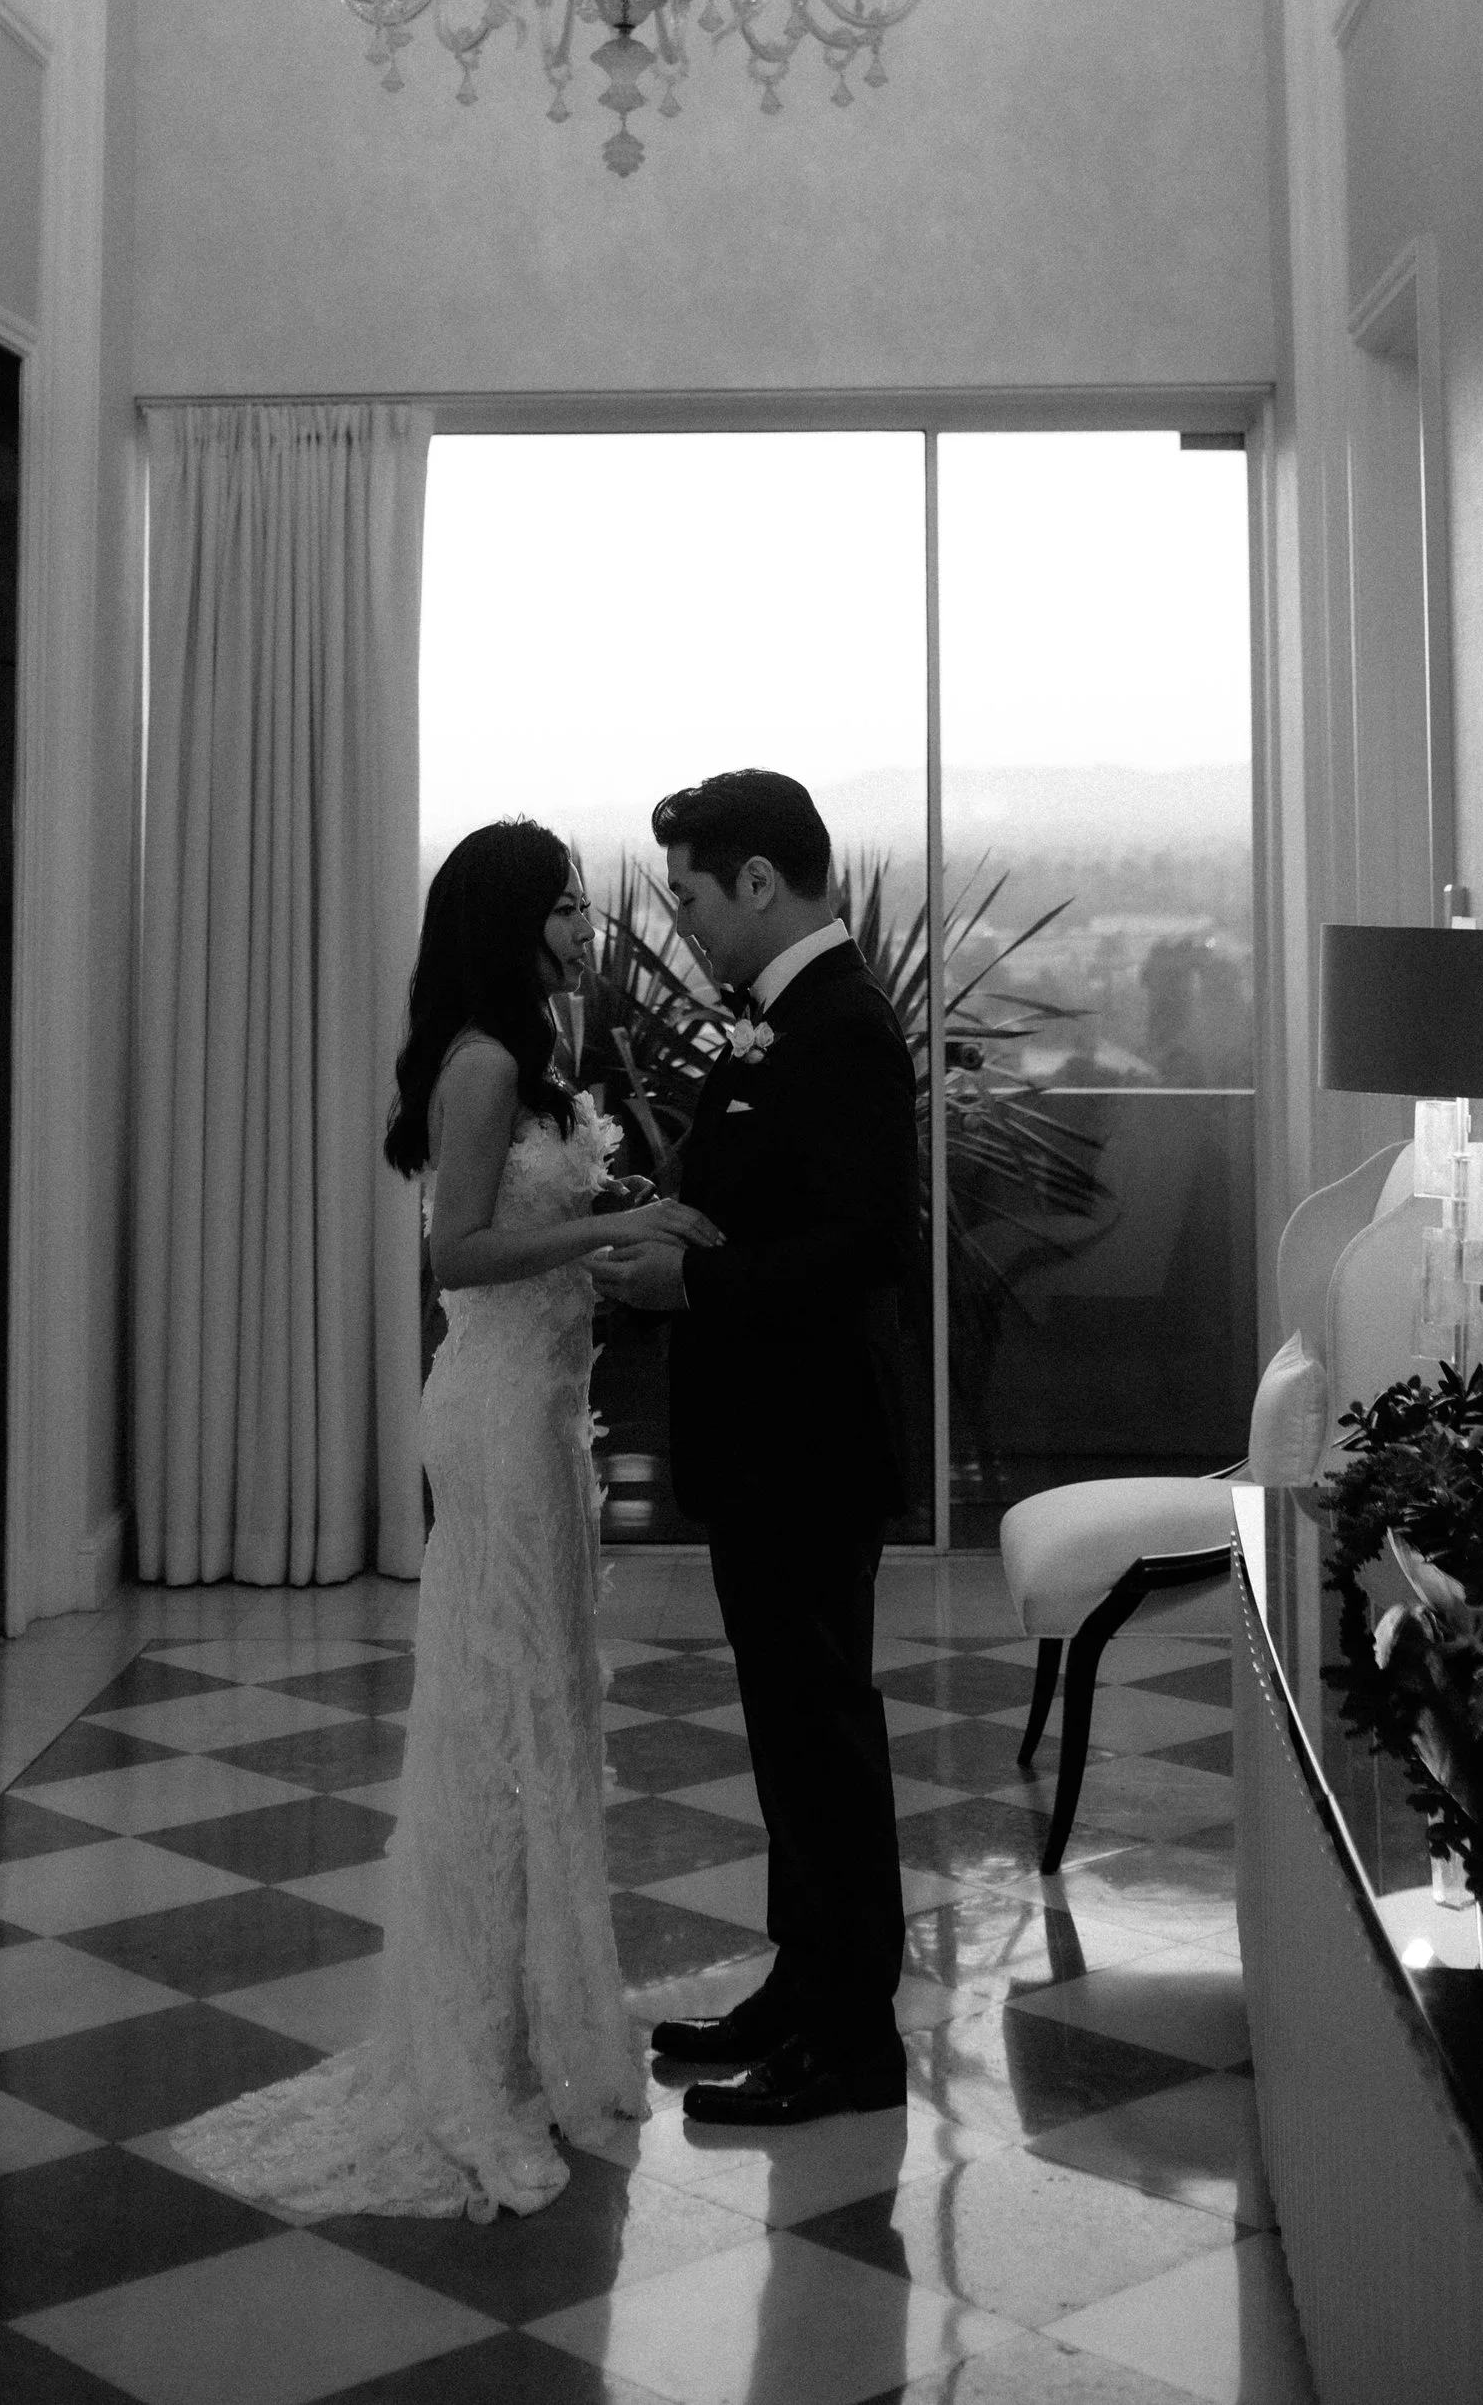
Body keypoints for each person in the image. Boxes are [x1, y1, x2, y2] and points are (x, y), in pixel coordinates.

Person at [168, 818, 721, 2222]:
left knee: (546, 1712)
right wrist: (606, 1228)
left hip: (544, 1414)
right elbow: (459, 1255)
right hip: (491, 1411)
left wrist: (622, 1213)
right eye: (565, 907)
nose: (587, 927)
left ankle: (540, 2031)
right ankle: (471, 2065)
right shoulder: (479, 1063)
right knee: (495, 1720)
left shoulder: (532, 1050)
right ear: (507, 920)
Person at [591, 769, 920, 2124]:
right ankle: (804, 1984)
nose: (684, 923)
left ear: (761, 883)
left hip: (809, 1442)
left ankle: (853, 2040)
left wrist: (691, 1285)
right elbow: (760, 1199)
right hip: (764, 1443)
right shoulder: (774, 1024)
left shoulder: (839, 1027)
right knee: (789, 1734)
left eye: (690, 894)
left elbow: (861, 1246)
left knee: (824, 1735)